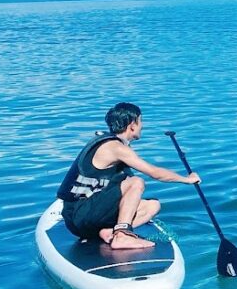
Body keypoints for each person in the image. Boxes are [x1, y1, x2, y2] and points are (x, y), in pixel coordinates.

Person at [54, 102, 200, 251]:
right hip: (78, 215)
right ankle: (122, 236)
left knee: (153, 206)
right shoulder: (115, 148)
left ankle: (109, 232)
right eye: (141, 121)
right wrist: (187, 179)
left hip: (88, 215)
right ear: (132, 124)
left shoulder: (117, 144)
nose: (142, 126)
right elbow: (154, 173)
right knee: (136, 182)